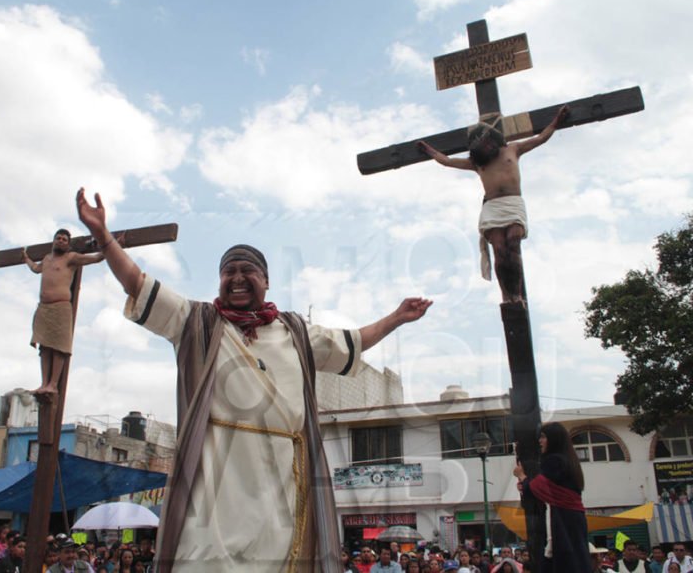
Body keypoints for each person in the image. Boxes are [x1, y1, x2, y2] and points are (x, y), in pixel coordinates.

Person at [76, 186, 433, 573]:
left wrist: (395, 318)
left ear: (266, 281)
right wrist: (105, 238)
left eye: (249, 271)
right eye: (229, 271)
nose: (238, 278)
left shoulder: (296, 331)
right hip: (219, 473)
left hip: (283, 476)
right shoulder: (198, 323)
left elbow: (353, 342)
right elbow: (138, 285)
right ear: (219, 282)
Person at [417, 105, 570, 304]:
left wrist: (556, 122)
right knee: (499, 249)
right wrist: (428, 149)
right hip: (492, 207)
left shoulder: (513, 149)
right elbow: (447, 161)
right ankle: (507, 295)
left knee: (513, 244)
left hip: (512, 203)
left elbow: (540, 138)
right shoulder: (477, 162)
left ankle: (516, 293)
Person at [23, 228, 107, 397]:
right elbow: (36, 268)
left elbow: (96, 258)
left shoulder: (71, 258)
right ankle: (44, 383)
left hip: (61, 307)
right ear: (54, 240)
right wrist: (25, 258)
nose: (60, 241)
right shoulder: (47, 259)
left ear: (68, 244)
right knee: (45, 347)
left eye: (64, 239)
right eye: (58, 238)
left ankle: (53, 384)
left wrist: (111, 246)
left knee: (59, 347)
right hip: (43, 308)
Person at [513, 422, 591, 573]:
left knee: (562, 558)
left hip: (561, 518)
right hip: (572, 517)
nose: (540, 441)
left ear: (553, 439)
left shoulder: (554, 460)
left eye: (543, 437)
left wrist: (521, 476)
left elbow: (539, 487)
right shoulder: (569, 459)